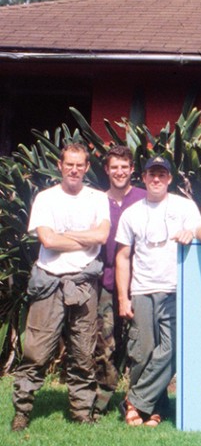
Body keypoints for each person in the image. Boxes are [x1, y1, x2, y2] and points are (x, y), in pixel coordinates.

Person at [12, 143, 110, 431]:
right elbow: (48, 241)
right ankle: (22, 410)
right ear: (60, 165)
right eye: (70, 164)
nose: (75, 169)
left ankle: (81, 411)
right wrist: (84, 238)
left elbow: (101, 235)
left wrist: (65, 235)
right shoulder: (45, 198)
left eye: (80, 165)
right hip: (49, 280)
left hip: (83, 282)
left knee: (83, 350)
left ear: (87, 167)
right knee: (37, 351)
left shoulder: (97, 198)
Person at [115, 156, 200, 427]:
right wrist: (122, 297)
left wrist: (192, 232)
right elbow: (122, 256)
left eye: (162, 174)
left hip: (175, 288)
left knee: (172, 348)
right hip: (142, 289)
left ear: (169, 178)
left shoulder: (185, 207)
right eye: (152, 174)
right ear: (144, 176)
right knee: (143, 350)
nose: (156, 179)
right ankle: (153, 408)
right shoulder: (132, 213)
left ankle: (134, 401)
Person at [92, 145, 146, 418]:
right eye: (114, 167)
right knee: (105, 344)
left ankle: (137, 402)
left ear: (132, 169)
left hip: (141, 281)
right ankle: (101, 401)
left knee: (138, 343)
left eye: (125, 167)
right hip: (106, 282)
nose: (120, 172)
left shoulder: (145, 198)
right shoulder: (98, 201)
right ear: (107, 170)